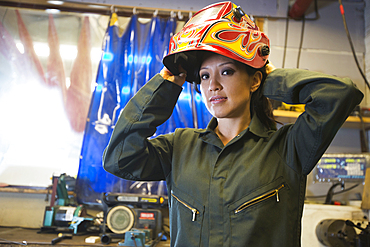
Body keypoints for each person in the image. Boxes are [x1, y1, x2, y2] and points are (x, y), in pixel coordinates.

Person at [102, 2, 364, 246]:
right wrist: (166, 85)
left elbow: (341, 94)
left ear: (254, 80)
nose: (213, 85)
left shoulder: (289, 148)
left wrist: (266, 77)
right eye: (204, 76)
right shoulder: (179, 148)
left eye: (226, 71)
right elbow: (119, 157)